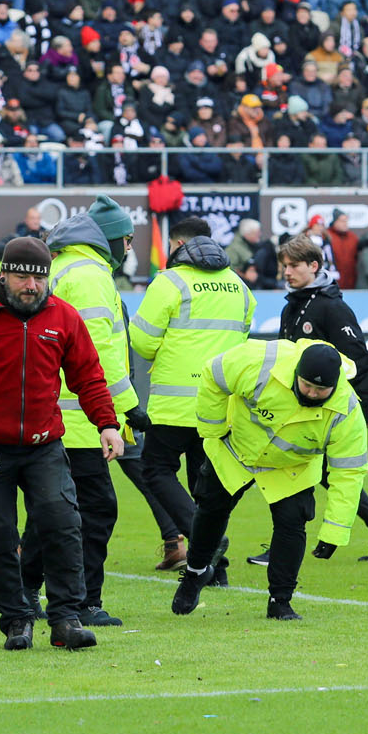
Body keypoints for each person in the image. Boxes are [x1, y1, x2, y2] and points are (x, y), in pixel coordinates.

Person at [0, 237, 123, 652]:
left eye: (39, 279)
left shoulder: (64, 318)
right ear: (4, 274)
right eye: (21, 278)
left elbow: (88, 375)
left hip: (43, 444)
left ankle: (66, 618)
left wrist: (107, 423)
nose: (31, 287)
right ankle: (17, 619)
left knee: (62, 523)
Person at [172, 340, 368, 620]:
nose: (312, 394)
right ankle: (195, 574)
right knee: (210, 510)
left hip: (291, 468)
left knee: (292, 523)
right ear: (295, 373)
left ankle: (281, 602)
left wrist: (334, 532)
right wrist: (212, 429)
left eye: (321, 390)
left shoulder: (347, 411)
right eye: (306, 386)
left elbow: (348, 472)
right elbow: (214, 374)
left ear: (336, 385)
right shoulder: (259, 362)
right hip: (235, 449)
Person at [21, 198, 142, 627]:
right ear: (111, 238)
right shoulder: (91, 276)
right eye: (127, 238)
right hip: (81, 422)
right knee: (94, 511)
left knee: (48, 513)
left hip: (59, 419)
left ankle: (25, 593)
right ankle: (85, 602)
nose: (129, 247)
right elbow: (99, 354)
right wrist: (128, 408)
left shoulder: (66, 267)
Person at [132, 216, 256, 576]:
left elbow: (141, 339)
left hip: (175, 403)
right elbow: (243, 338)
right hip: (220, 405)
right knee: (205, 486)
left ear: (176, 246)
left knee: (156, 471)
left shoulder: (170, 282)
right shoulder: (238, 285)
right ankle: (215, 572)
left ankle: (206, 542)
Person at [275, 235, 368, 563]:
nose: (287, 272)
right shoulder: (293, 305)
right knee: (315, 472)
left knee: (308, 470)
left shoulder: (331, 307)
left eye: (293, 266)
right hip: (303, 406)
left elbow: (359, 358)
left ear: (314, 266)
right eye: (284, 266)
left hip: (332, 407)